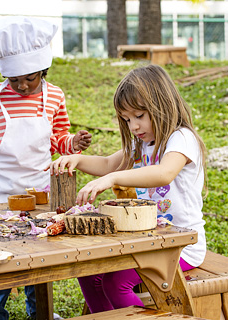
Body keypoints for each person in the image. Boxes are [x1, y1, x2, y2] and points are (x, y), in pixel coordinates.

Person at [48, 64, 207, 313]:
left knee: (116, 282)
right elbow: (108, 164)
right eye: (127, 119)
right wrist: (77, 159)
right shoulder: (141, 144)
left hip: (182, 247)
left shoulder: (181, 138)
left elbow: (164, 173)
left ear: (161, 104)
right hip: (149, 242)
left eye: (139, 116)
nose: (133, 126)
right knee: (89, 274)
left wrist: (113, 179)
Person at [0, 16, 92, 320]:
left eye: (30, 78)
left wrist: (73, 142)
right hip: (4, 187)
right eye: (15, 80)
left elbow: (58, 138)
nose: (22, 85)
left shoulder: (55, 96)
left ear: (43, 70)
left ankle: (40, 312)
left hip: (40, 187)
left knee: (38, 251)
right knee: (0, 251)